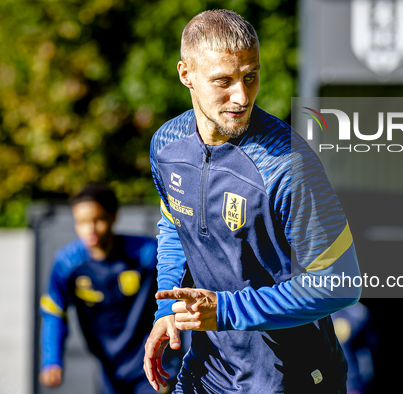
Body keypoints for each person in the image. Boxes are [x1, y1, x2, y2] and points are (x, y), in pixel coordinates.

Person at [143, 9, 362, 394]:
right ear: (185, 75)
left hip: (293, 379)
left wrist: (226, 310)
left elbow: (341, 283)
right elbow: (176, 226)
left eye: (251, 76)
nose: (241, 96)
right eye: (223, 81)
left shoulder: (287, 164)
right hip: (209, 373)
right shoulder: (166, 147)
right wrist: (169, 312)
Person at [39, 184, 177, 393]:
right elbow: (54, 313)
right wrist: (51, 360)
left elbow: (180, 276)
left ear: (114, 217)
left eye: (98, 220)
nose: (90, 229)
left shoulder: (146, 254)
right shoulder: (67, 264)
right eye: (82, 222)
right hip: (108, 371)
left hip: (155, 365)